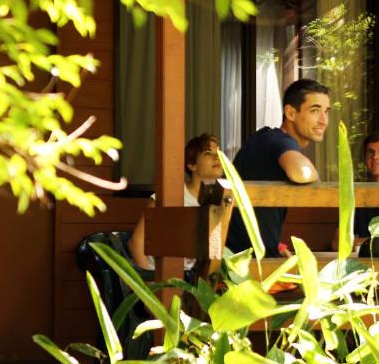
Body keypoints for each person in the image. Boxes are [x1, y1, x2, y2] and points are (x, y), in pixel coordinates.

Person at [226, 79, 330, 257]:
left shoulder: (265, 140)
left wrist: (278, 246)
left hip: (242, 256)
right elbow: (301, 173)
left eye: (326, 112)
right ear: (290, 113)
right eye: (315, 111)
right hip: (245, 267)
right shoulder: (277, 140)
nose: (323, 121)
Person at [129, 132, 223, 271]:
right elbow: (136, 242)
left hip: (199, 283)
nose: (217, 157)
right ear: (192, 165)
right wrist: (150, 285)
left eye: (219, 152)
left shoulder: (222, 199)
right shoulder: (169, 196)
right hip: (164, 280)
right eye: (208, 153)